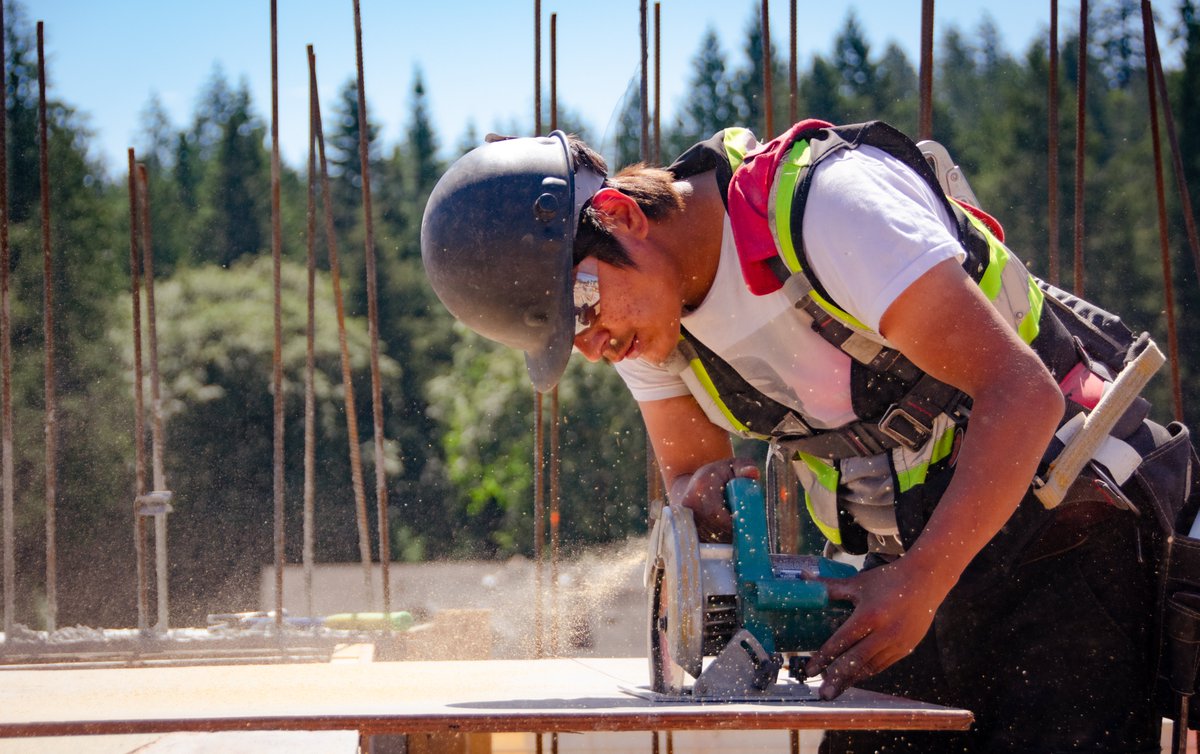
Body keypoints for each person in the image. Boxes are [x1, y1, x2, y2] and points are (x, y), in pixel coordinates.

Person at [421, 122, 1187, 753]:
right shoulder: (647, 325)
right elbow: (691, 482)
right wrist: (704, 504)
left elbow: (1020, 395)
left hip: (1061, 519)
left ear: (620, 215)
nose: (592, 344)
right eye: (567, 336)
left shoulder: (823, 207)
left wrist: (921, 582)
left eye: (583, 308)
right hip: (906, 567)